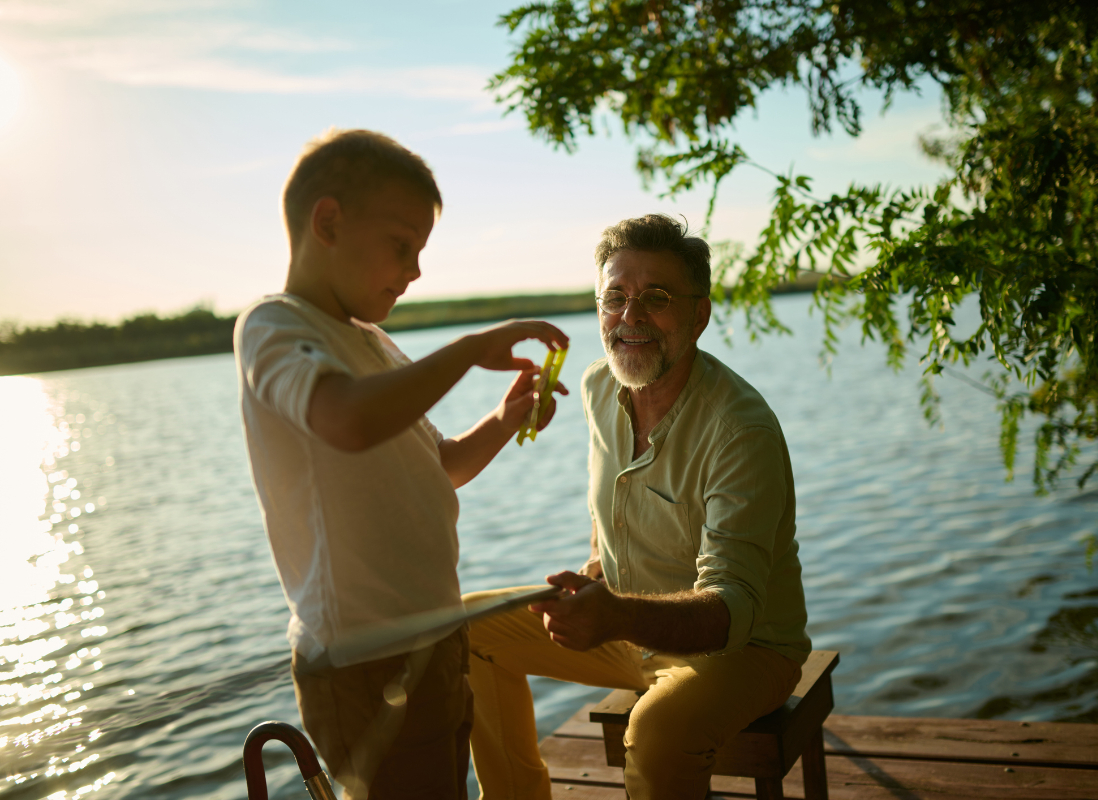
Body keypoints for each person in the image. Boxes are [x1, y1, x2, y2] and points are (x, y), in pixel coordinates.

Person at [234, 128, 569, 799]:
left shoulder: (374, 343)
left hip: (436, 641)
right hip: (363, 664)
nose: (415, 271)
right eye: (401, 245)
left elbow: (439, 465)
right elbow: (351, 420)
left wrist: (506, 421)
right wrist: (470, 348)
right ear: (327, 221)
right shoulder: (275, 328)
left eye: (420, 251)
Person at [465, 214, 811, 800]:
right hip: (628, 627)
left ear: (699, 315)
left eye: (656, 297)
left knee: (653, 733)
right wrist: (598, 568)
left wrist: (618, 615)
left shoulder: (740, 430)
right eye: (615, 298)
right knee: (464, 631)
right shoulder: (601, 386)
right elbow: (610, 501)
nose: (630, 317)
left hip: (742, 651)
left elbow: (733, 612)